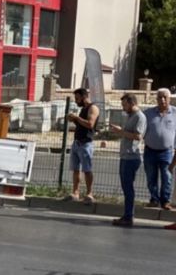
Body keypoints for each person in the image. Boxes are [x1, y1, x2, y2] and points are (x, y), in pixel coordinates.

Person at [109, 93, 146, 227]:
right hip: (125, 156)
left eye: (125, 105)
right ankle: (126, 215)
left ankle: (129, 216)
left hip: (131, 157)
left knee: (128, 188)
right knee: (126, 188)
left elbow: (138, 136)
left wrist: (121, 132)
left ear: (132, 103)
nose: (123, 107)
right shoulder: (131, 116)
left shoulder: (139, 117)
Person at [142, 88, 176, 211]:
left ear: (169, 99)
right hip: (150, 150)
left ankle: (165, 201)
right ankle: (154, 199)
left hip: (167, 152)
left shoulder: (175, 113)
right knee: (151, 177)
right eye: (159, 97)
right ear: (156, 99)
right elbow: (141, 129)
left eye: (164, 97)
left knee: (167, 177)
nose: (162, 100)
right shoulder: (148, 113)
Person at [65, 88, 100, 204]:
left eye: (77, 98)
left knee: (87, 170)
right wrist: (74, 120)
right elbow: (82, 124)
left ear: (84, 97)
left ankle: (89, 194)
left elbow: (90, 124)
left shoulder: (93, 108)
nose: (76, 101)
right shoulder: (83, 109)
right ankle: (75, 193)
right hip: (77, 143)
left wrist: (76, 118)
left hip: (86, 144)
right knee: (75, 169)